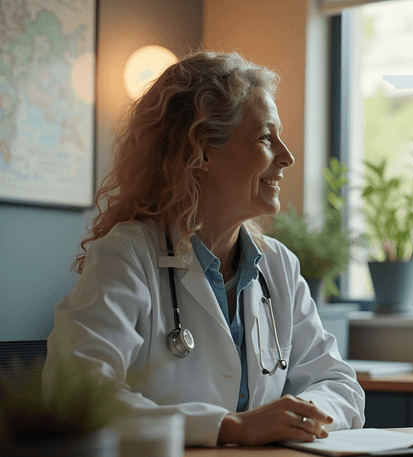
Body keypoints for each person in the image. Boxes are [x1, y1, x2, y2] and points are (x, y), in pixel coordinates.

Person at [42, 50, 365, 447]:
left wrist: (302, 415)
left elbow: (339, 384)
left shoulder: (278, 265)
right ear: (203, 149)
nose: (287, 156)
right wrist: (230, 427)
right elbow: (75, 396)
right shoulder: (128, 255)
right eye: (266, 137)